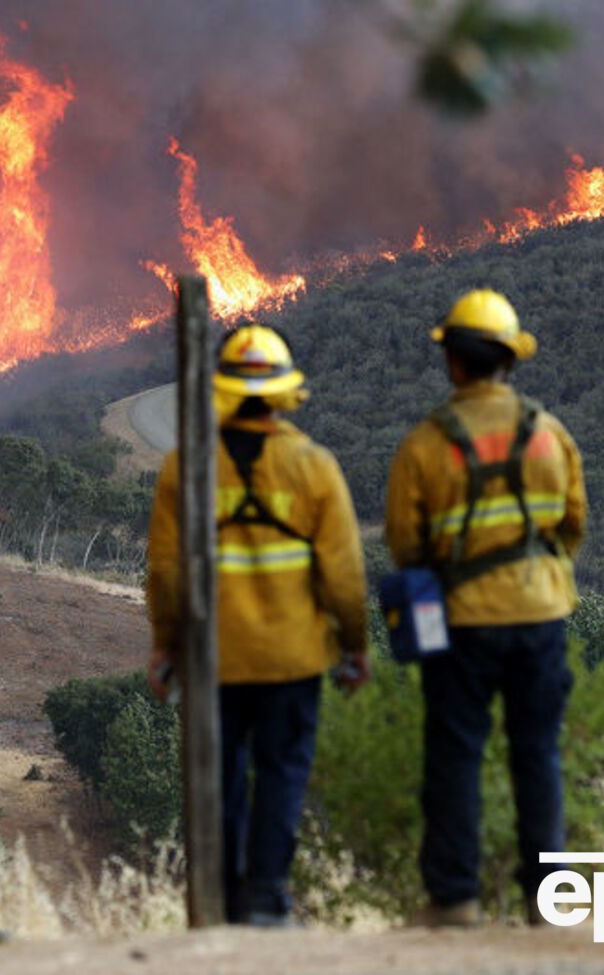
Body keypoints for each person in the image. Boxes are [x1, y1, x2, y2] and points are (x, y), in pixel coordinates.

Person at [146, 322, 369, 926]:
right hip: (293, 658)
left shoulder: (186, 469)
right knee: (282, 772)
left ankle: (221, 897)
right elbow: (344, 575)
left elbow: (166, 571)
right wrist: (356, 646)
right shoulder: (314, 467)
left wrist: (165, 647)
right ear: (284, 393)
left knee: (217, 774)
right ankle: (265, 898)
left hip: (214, 655)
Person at [384, 288, 587, 927]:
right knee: (538, 754)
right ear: (509, 360)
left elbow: (405, 545)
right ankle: (548, 905)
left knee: (456, 756)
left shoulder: (426, 444)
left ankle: (455, 901)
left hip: (464, 622)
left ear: (454, 363)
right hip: (541, 617)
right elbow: (572, 524)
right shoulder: (549, 435)